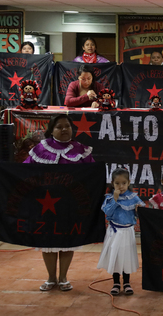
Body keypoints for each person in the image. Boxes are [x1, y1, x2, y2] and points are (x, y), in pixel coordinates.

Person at [23, 114, 95, 292]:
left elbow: (94, 174)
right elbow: (23, 170)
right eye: (59, 127)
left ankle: (63, 277)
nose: (64, 129)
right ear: (51, 130)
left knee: (67, 240)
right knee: (48, 242)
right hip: (45, 204)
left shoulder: (81, 150)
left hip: (71, 204)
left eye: (67, 126)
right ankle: (51, 278)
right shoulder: (40, 149)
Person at [97, 168, 145, 296]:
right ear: (112, 183)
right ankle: (116, 283)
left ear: (129, 182)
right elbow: (107, 212)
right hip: (114, 231)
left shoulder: (133, 197)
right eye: (117, 183)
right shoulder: (109, 197)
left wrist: (138, 209)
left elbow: (141, 213)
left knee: (126, 256)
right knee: (116, 256)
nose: (121, 186)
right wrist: (115, 199)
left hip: (128, 231)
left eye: (124, 183)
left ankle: (127, 283)